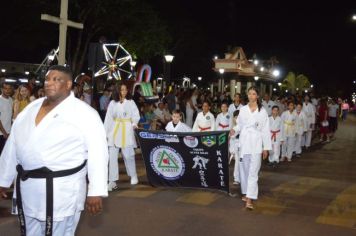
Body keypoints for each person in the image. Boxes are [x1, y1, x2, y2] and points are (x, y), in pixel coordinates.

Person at [0, 65, 108, 236]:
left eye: (56, 79)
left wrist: (96, 191)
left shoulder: (85, 113)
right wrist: (3, 179)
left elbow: (98, 153)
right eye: (47, 79)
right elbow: (13, 144)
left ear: (68, 84)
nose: (49, 83)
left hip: (61, 189)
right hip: (28, 188)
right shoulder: (31, 108)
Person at [230, 86, 271, 210]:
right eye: (250, 94)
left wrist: (266, 147)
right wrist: (233, 130)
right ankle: (247, 192)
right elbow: (240, 125)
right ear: (247, 95)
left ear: (257, 96)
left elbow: (265, 130)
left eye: (254, 94)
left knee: (253, 172)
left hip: (257, 144)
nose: (251, 96)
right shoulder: (243, 110)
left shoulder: (262, 111)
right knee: (245, 171)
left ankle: (250, 199)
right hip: (244, 143)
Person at [104, 83, 140, 191]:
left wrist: (134, 123)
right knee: (112, 156)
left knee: (128, 155)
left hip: (127, 129)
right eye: (122, 90)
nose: (124, 92)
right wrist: (105, 133)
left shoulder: (131, 102)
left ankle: (133, 174)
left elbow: (135, 115)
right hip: (114, 130)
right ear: (117, 91)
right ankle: (112, 180)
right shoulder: (112, 103)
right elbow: (108, 119)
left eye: (125, 90)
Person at [0, 82, 13, 154]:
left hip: (9, 132)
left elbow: (10, 116)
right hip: (1, 133)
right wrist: (4, 133)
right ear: (1, 89)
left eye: (9, 88)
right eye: (5, 89)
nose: (8, 90)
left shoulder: (11, 100)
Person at [230, 110, 240, 185]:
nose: (237, 119)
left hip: (244, 146)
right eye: (235, 117)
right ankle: (236, 178)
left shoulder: (244, 126)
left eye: (238, 117)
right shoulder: (233, 127)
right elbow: (231, 139)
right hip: (236, 147)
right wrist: (232, 150)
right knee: (237, 162)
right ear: (233, 118)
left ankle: (244, 177)